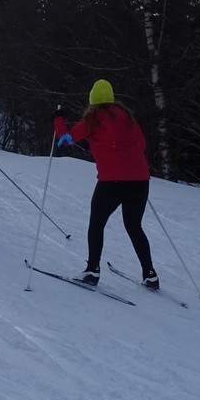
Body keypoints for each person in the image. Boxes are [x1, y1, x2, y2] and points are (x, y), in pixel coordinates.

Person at [63, 80, 158, 289]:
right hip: (140, 180)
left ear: (92, 100)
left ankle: (92, 270)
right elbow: (142, 145)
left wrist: (58, 120)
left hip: (112, 181)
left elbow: (66, 139)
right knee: (134, 226)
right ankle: (150, 274)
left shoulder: (92, 119)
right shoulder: (128, 118)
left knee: (97, 224)